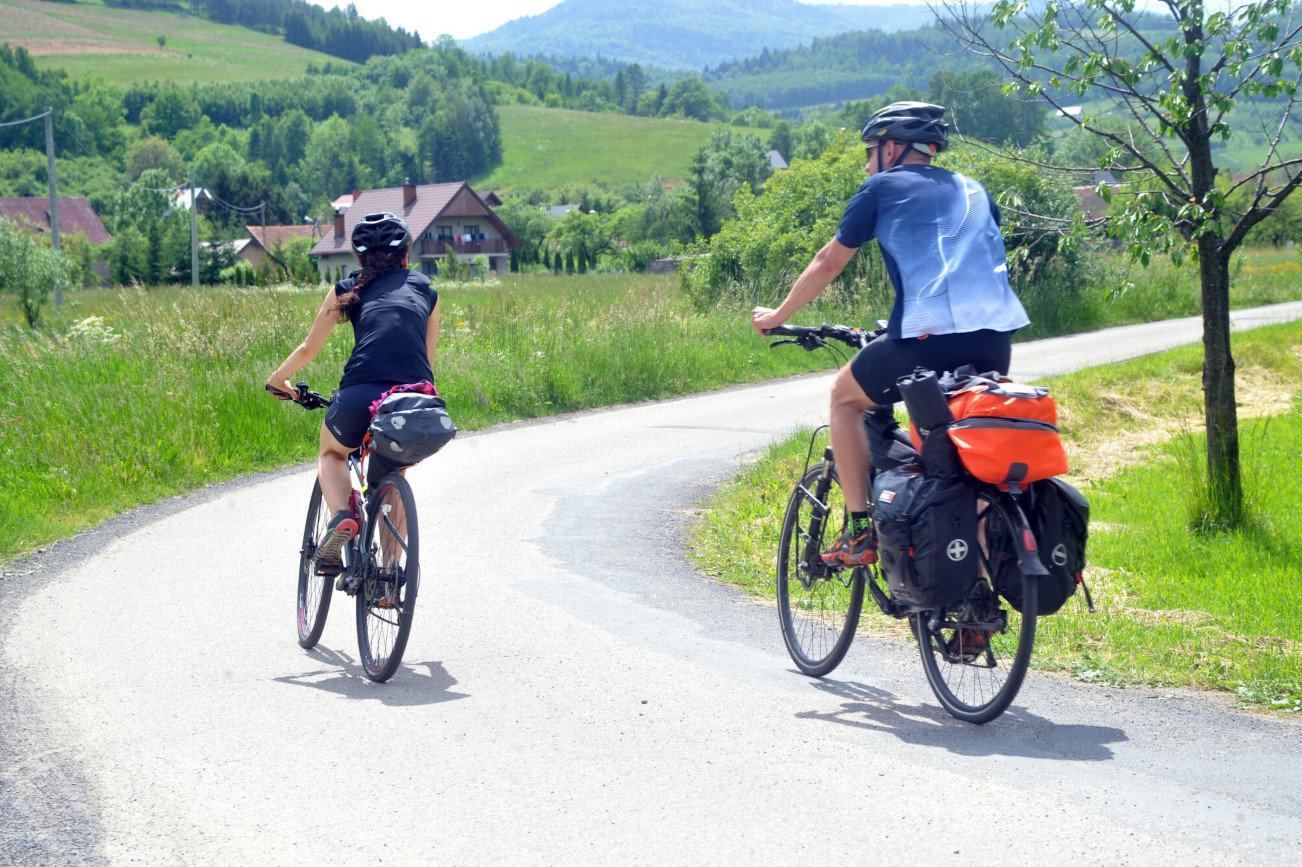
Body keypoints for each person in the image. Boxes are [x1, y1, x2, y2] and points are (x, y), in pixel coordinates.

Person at [750, 101, 1029, 566]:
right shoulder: (975, 189)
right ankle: (975, 603)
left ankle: (859, 531)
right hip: (995, 341)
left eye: (870, 151)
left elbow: (828, 263)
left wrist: (777, 314)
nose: (867, 162)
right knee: (965, 459)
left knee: (844, 398)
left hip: (925, 338)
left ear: (893, 148)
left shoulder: (879, 188)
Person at [267, 211, 440, 568]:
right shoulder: (426, 290)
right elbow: (428, 363)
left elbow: (308, 348)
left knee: (331, 454)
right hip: (413, 400)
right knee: (392, 475)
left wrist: (278, 380)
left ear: (360, 259)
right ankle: (391, 575)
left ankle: (341, 518)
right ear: (407, 255)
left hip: (360, 392)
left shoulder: (347, 288)